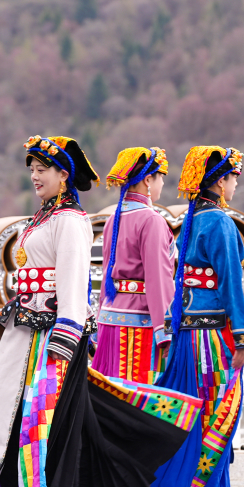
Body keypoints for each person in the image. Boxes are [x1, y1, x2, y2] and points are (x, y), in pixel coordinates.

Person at [0, 135, 196, 487]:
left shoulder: (71, 220)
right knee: (10, 405)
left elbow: (73, 280)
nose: (34, 176)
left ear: (64, 175)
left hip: (54, 332)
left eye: (42, 169)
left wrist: (66, 334)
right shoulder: (44, 217)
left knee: (42, 417)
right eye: (32, 169)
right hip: (26, 327)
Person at [136, 146, 244, 487]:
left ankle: (177, 486)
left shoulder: (190, 220)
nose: (235, 185)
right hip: (213, 336)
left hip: (187, 332)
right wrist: (242, 335)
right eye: (233, 178)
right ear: (220, 180)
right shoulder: (220, 222)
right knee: (221, 410)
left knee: (188, 411)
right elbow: (231, 283)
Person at [92, 147, 175, 385]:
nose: (162, 185)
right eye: (160, 178)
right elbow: (158, 279)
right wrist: (165, 331)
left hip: (109, 319)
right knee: (138, 396)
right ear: (148, 180)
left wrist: (99, 320)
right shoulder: (152, 220)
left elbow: (107, 275)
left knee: (110, 391)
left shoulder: (114, 218)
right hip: (139, 325)